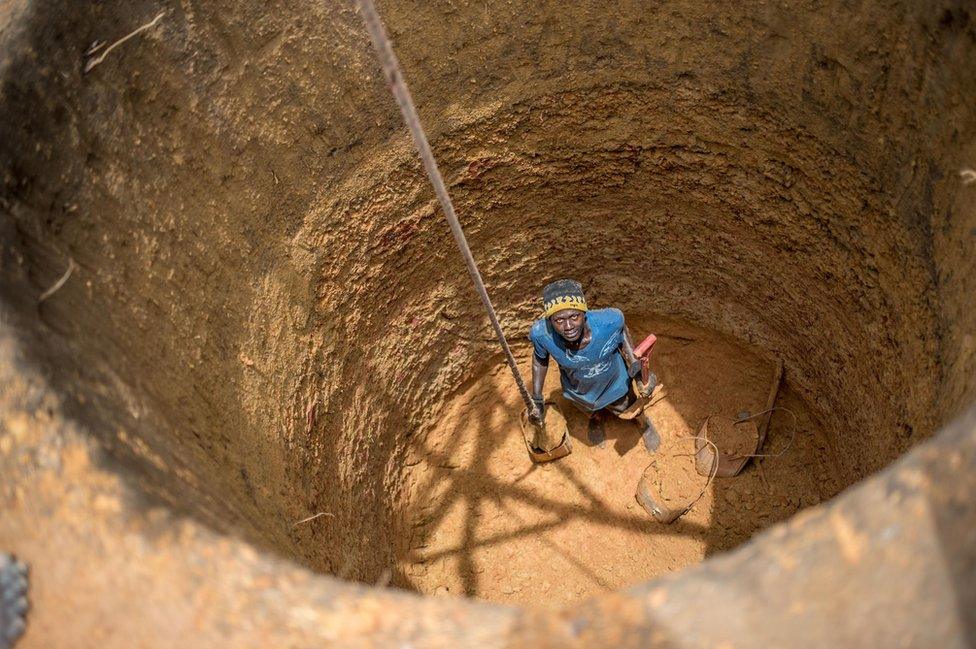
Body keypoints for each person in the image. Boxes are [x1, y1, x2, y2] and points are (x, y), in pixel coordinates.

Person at [527, 278, 659, 451]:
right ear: (550, 320)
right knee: (589, 410)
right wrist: (537, 398)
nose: (568, 326)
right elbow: (540, 359)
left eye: (574, 316)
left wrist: (636, 371)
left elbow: (624, 338)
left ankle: (643, 424)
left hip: (614, 383)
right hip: (578, 389)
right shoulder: (541, 335)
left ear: (584, 313)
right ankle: (596, 420)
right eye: (559, 320)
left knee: (628, 405)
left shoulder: (610, 321)